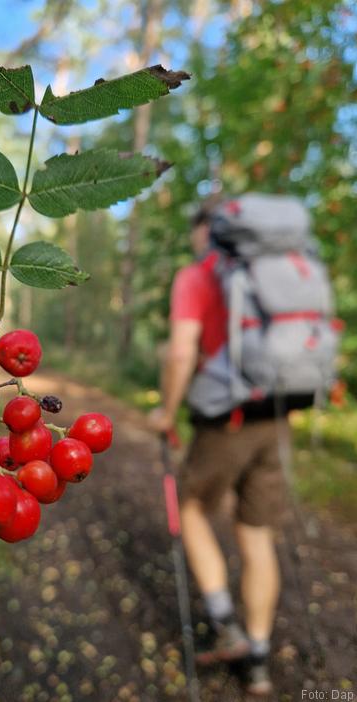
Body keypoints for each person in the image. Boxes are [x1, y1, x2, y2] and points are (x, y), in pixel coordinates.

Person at [148, 202, 287, 696]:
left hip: (226, 418)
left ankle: (226, 624)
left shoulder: (198, 273)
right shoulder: (265, 270)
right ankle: (258, 655)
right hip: (275, 416)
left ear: (201, 231)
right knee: (256, 533)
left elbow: (183, 349)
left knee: (191, 508)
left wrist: (166, 412)